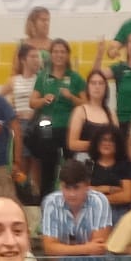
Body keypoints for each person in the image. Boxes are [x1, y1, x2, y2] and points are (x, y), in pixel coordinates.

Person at [39, 160, 116, 261]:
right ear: (60, 185)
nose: (71, 194)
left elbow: (98, 248)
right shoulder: (50, 202)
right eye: (66, 188)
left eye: (76, 188)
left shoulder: (100, 201)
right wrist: (86, 248)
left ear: (87, 185)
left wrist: (63, 248)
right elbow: (49, 248)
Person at [27, 42, 86, 192]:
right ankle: (46, 200)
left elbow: (86, 103)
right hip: (47, 124)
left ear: (67, 56)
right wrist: (43, 99)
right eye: (56, 52)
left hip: (69, 125)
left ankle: (72, 195)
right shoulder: (43, 76)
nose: (59, 55)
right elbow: (32, 102)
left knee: (71, 166)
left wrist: (71, 97)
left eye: (62, 52)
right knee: (47, 165)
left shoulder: (75, 77)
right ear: (51, 55)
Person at [66, 68, 119, 163]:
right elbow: (72, 143)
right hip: (84, 161)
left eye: (100, 83)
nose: (97, 87)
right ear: (88, 87)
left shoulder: (111, 114)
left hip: (106, 162)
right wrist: (97, 144)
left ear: (106, 87)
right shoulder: (80, 111)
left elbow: (117, 142)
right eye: (93, 83)